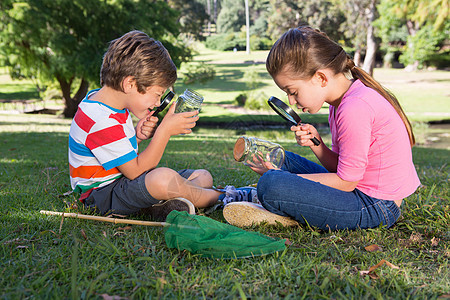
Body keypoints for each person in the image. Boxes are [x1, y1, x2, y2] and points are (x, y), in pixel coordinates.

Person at [223, 26, 420, 230]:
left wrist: (286, 180)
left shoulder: (355, 108)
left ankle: (278, 205)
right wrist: (317, 145)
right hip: (363, 192)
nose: (292, 101)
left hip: (376, 207)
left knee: (271, 183)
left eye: (293, 91)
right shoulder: (343, 102)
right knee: (284, 160)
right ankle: (285, 199)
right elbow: (345, 169)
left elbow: (346, 182)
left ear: (320, 78)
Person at [69, 30, 222, 221]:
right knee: (162, 178)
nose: (158, 103)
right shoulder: (99, 118)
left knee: (203, 176)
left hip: (120, 183)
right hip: (101, 197)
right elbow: (135, 171)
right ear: (130, 84)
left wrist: (136, 136)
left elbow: (115, 152)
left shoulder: (107, 104)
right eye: (157, 94)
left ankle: (164, 205)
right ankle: (224, 197)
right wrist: (164, 131)